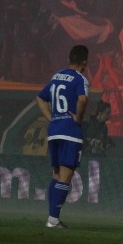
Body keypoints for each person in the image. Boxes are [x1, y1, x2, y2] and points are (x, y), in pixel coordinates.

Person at [35, 44, 90, 229]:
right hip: (69, 132)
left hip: (54, 130)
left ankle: (52, 218)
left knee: (57, 174)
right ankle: (52, 219)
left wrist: (52, 117)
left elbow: (40, 98)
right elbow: (83, 99)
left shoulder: (57, 76)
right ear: (84, 62)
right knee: (66, 175)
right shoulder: (79, 78)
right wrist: (79, 118)